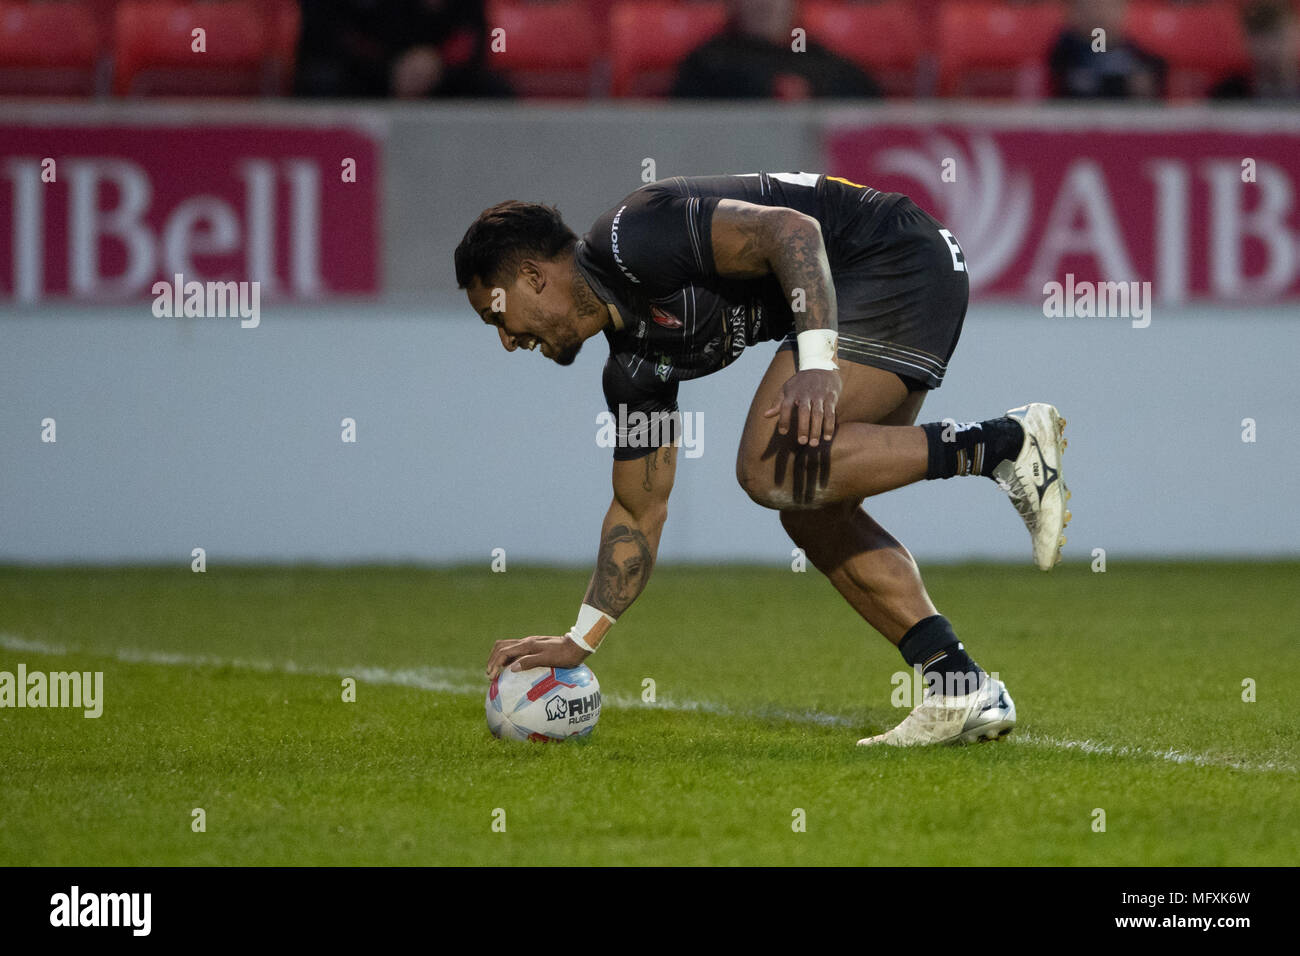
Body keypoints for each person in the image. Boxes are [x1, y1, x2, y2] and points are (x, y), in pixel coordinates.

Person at [456, 172, 1072, 747]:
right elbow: (638, 509)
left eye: (498, 314)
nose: (508, 340)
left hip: (890, 255)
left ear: (534, 276)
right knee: (810, 506)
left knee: (765, 468)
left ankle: (1002, 444)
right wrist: (580, 638)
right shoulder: (635, 371)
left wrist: (819, 363)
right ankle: (959, 687)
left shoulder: (630, 237)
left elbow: (792, 232)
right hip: (885, 278)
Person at [294, 0, 511, 99]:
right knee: (321, 82)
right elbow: (325, 35)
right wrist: (391, 68)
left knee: (495, 90)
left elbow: (474, 40)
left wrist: (437, 65)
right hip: (362, 76)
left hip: (441, 77)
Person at [671, 0, 880, 100]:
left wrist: (811, 92)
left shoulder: (820, 59)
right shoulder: (709, 61)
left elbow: (867, 105)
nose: (767, 4)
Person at [1049, 0, 1165, 100]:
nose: (1101, 15)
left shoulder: (1142, 59)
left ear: (1123, 11)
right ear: (1074, 13)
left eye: (1109, 6)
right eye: (1093, 6)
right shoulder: (1060, 56)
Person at [1211, 0, 1300, 101]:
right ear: (1247, 41)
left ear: (1296, 34)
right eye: (1262, 41)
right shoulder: (1227, 93)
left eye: (1280, 39)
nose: (1271, 49)